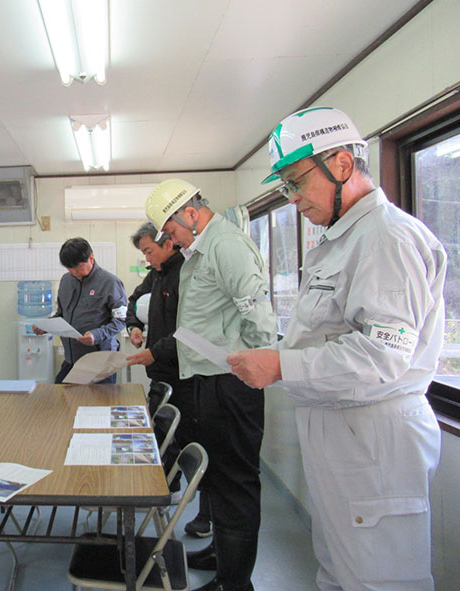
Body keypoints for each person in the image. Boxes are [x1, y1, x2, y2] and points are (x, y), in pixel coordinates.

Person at [228, 106, 445, 591]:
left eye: (296, 182)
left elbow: (381, 356)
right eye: (285, 186)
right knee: (339, 570)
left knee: (379, 579)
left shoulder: (386, 237)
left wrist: (283, 364)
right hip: (342, 429)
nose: (293, 199)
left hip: (373, 435)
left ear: (343, 165)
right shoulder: (341, 239)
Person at [130, 179, 276, 591]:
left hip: (231, 383)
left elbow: (259, 318)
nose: (171, 240)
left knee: (236, 487)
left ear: (190, 214)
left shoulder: (226, 245)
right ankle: (221, 560)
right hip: (205, 382)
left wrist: (255, 369)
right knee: (217, 482)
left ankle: (235, 583)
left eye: (171, 231)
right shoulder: (201, 249)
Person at [125, 222, 211, 536]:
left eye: (149, 250)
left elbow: (191, 331)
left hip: (188, 376)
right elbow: (133, 302)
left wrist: (155, 352)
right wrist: (134, 327)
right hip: (160, 374)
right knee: (162, 436)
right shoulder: (156, 273)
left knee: (194, 442)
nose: (147, 258)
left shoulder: (186, 274)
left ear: (168, 243)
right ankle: (168, 488)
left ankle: (205, 514)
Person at [38, 237, 126, 384]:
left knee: (97, 405)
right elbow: (61, 315)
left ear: (91, 258)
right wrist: (45, 326)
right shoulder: (66, 281)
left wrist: (96, 335)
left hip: (99, 362)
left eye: (77, 266)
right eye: (69, 268)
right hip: (72, 359)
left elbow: (121, 320)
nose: (73, 272)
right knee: (62, 399)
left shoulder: (110, 283)